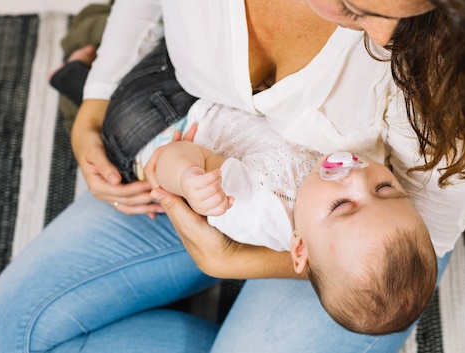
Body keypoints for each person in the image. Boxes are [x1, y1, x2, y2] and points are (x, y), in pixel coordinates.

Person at [0, 0, 465, 352]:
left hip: (350, 247)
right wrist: (96, 101)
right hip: (206, 158)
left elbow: (428, 224)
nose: (386, 38)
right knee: (2, 335)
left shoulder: (434, 41)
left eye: (407, 11)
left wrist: (236, 259)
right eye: (356, 7)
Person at [135, 98, 437, 334]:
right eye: (385, 187)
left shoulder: (251, 206)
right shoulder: (319, 187)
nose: (358, 175)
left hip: (160, 120)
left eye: (343, 205)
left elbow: (168, 160)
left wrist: (188, 178)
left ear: (300, 247)